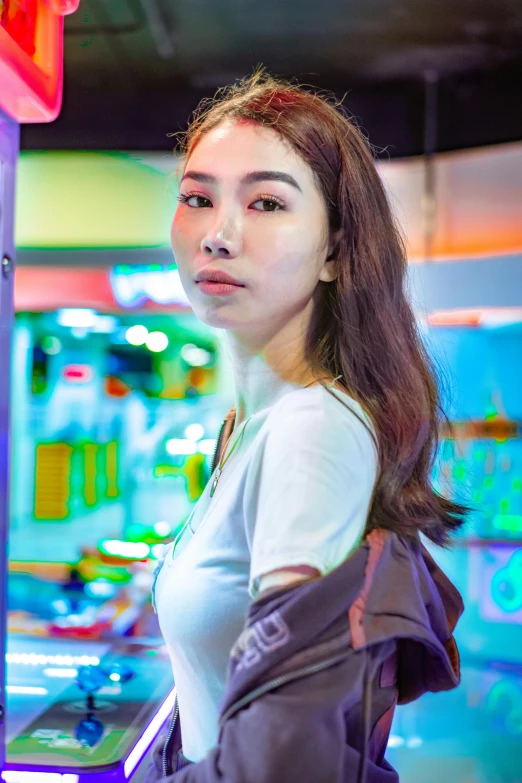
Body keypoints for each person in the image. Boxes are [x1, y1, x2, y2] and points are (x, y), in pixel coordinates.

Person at [148, 68, 468, 783]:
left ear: (334, 250)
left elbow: (282, 761)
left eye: (266, 202)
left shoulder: (310, 431)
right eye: (197, 198)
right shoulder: (248, 427)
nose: (219, 235)